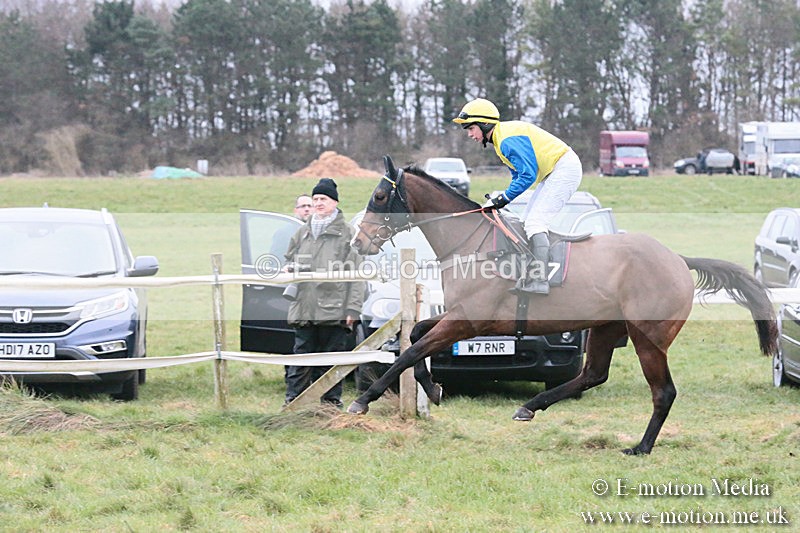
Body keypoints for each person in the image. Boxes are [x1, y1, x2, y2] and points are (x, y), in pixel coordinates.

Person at [453, 98, 583, 294]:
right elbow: (518, 176)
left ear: (485, 123)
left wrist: (503, 199)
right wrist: (500, 199)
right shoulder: (500, 140)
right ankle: (530, 272)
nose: (470, 134)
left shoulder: (506, 140)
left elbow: (528, 175)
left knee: (535, 223)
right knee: (526, 222)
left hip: (564, 168)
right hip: (554, 170)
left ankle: (540, 280)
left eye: (471, 128)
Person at [283, 178, 365, 408]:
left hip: (334, 309)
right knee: (300, 360)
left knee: (331, 361)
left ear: (335, 202)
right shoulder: (302, 233)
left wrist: (353, 309)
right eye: (316, 199)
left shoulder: (349, 234)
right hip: (304, 307)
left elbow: (357, 275)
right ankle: (293, 405)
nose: (318, 203)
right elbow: (288, 259)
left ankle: (330, 407)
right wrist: (289, 268)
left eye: (324, 199)